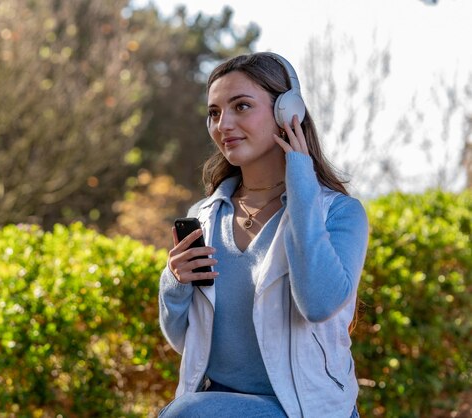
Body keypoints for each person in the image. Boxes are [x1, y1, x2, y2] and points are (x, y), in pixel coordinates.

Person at [158, 52, 368, 418]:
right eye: (214, 113)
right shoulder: (204, 216)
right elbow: (186, 343)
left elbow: (318, 304)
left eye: (241, 106)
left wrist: (301, 186)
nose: (224, 124)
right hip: (215, 403)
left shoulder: (338, 214)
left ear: (289, 112)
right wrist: (174, 282)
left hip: (302, 408)